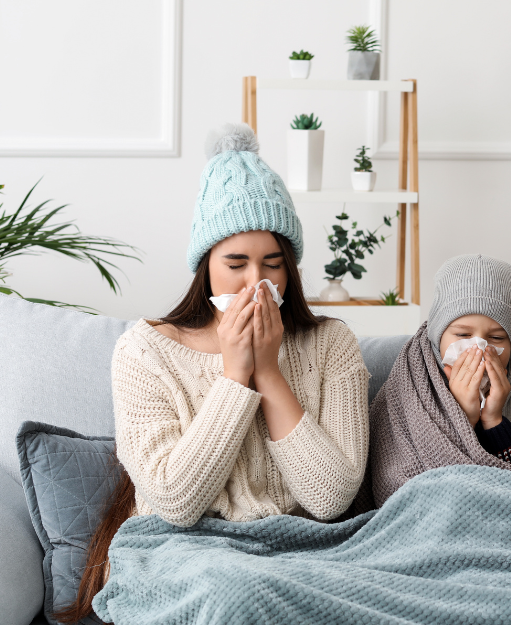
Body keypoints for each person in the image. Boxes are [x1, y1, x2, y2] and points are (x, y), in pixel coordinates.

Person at [55, 123, 370, 622]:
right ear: (206, 268)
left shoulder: (332, 344)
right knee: (235, 595)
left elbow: (330, 498)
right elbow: (175, 501)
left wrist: (268, 372)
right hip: (185, 552)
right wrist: (234, 373)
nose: (257, 282)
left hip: (306, 547)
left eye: (273, 264)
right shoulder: (144, 351)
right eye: (236, 264)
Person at [366, 254, 511, 508]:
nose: (479, 348)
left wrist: (495, 423)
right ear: (438, 335)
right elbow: (395, 490)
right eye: (462, 334)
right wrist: (463, 419)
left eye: (496, 338)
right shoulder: (409, 391)